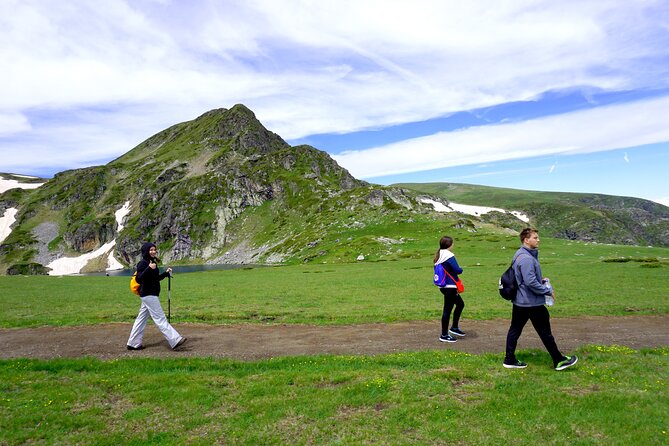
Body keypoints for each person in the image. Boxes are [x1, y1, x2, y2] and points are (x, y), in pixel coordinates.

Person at [503, 228, 577, 370]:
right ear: (526, 240)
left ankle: (509, 359)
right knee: (544, 332)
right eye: (535, 237)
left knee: (515, 329)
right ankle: (558, 360)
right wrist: (547, 290)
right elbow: (530, 282)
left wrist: (540, 280)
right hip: (531, 302)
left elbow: (525, 278)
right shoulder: (526, 259)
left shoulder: (520, 254)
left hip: (520, 301)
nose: (538, 240)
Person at [127, 242, 187, 351]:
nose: (153, 251)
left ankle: (133, 343)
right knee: (160, 318)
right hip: (148, 295)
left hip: (148, 295)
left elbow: (155, 279)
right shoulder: (143, 263)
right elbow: (139, 279)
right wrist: (149, 268)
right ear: (146, 251)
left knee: (141, 319)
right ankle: (175, 339)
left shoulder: (152, 262)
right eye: (151, 250)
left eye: (154, 249)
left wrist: (166, 274)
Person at [434, 236, 465, 343]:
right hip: (450, 287)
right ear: (450, 244)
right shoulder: (448, 255)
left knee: (460, 304)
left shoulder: (438, 255)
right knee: (447, 310)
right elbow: (457, 270)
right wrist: (461, 269)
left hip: (443, 286)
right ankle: (444, 334)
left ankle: (454, 328)